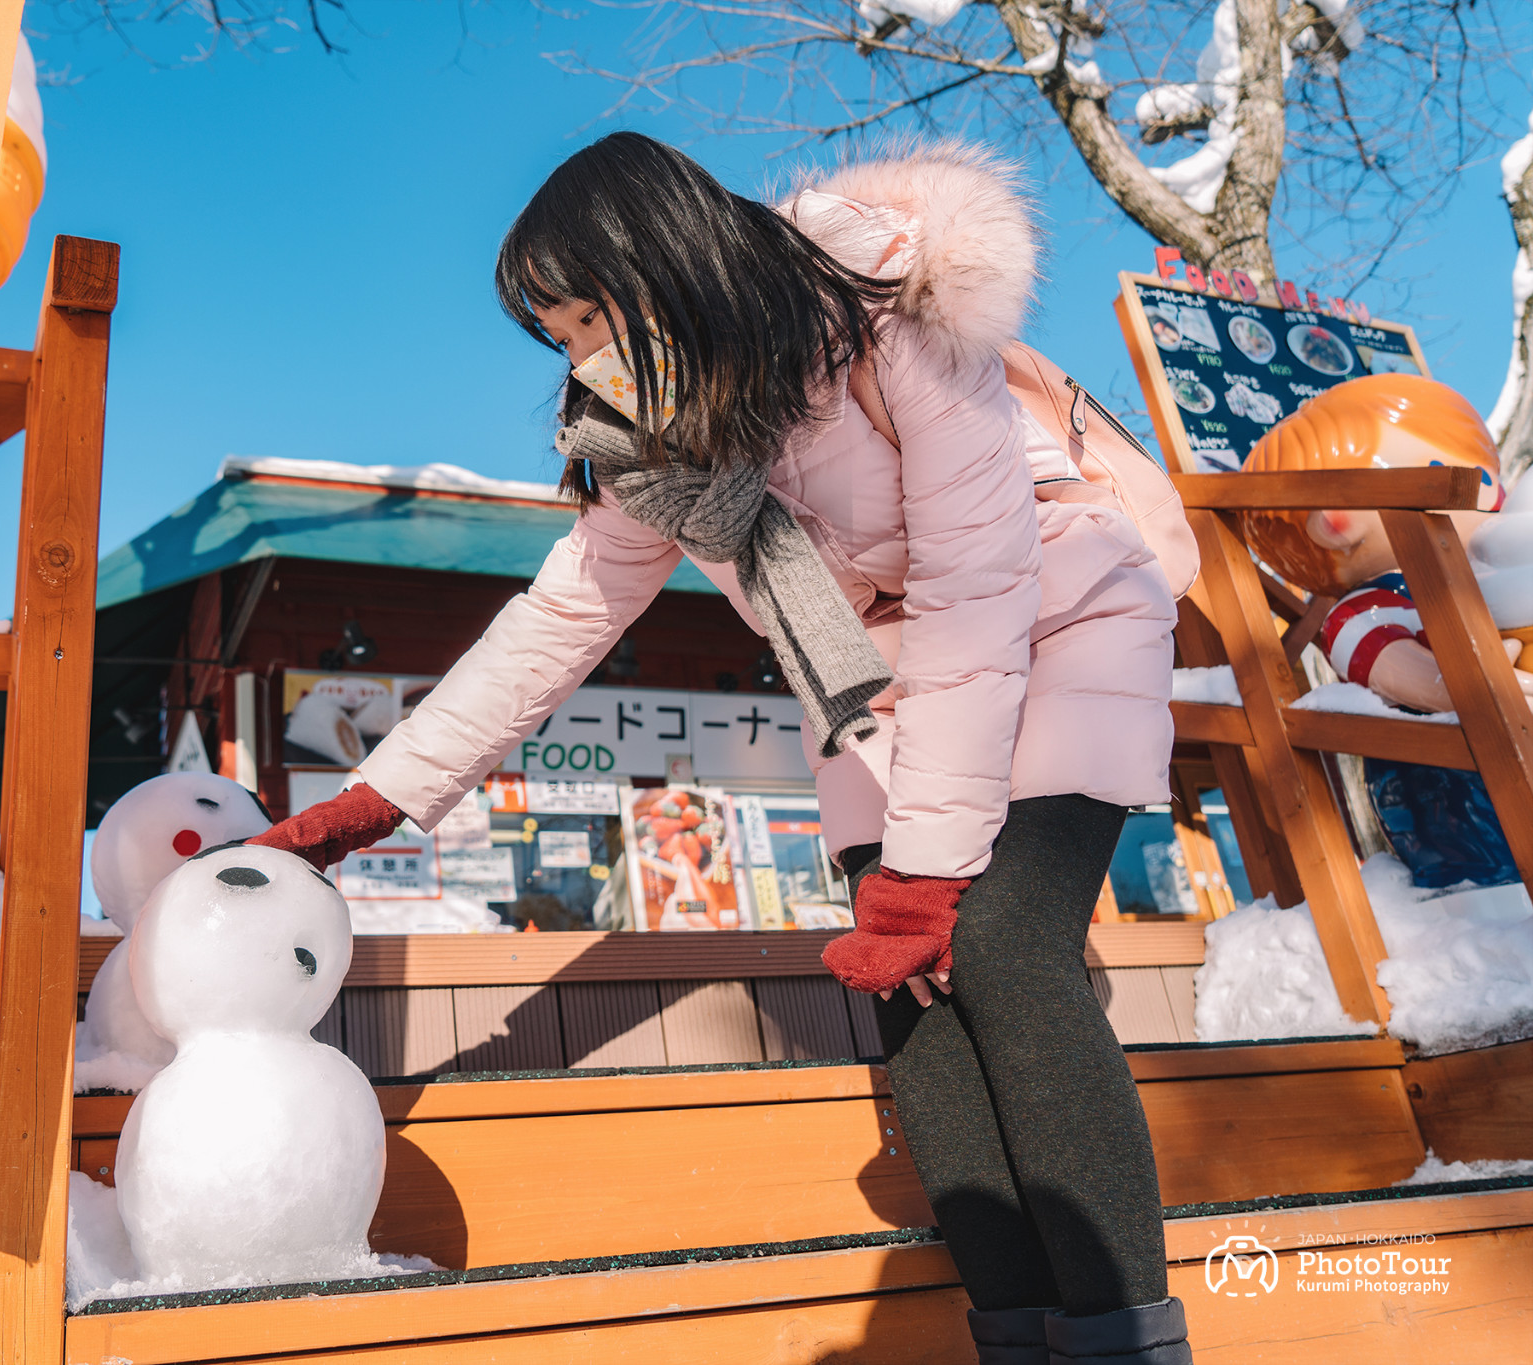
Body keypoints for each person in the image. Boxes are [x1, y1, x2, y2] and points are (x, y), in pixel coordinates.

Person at [251, 133, 1192, 1365]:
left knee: (1002, 943)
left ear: (660, 259)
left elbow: (973, 588)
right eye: (557, 337)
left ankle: (1126, 1342)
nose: (581, 358)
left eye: (588, 316)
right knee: (911, 993)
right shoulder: (656, 443)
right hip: (872, 687)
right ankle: (1017, 1337)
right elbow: (557, 623)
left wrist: (928, 867)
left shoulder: (890, 325)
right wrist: (375, 798)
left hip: (1057, 621)